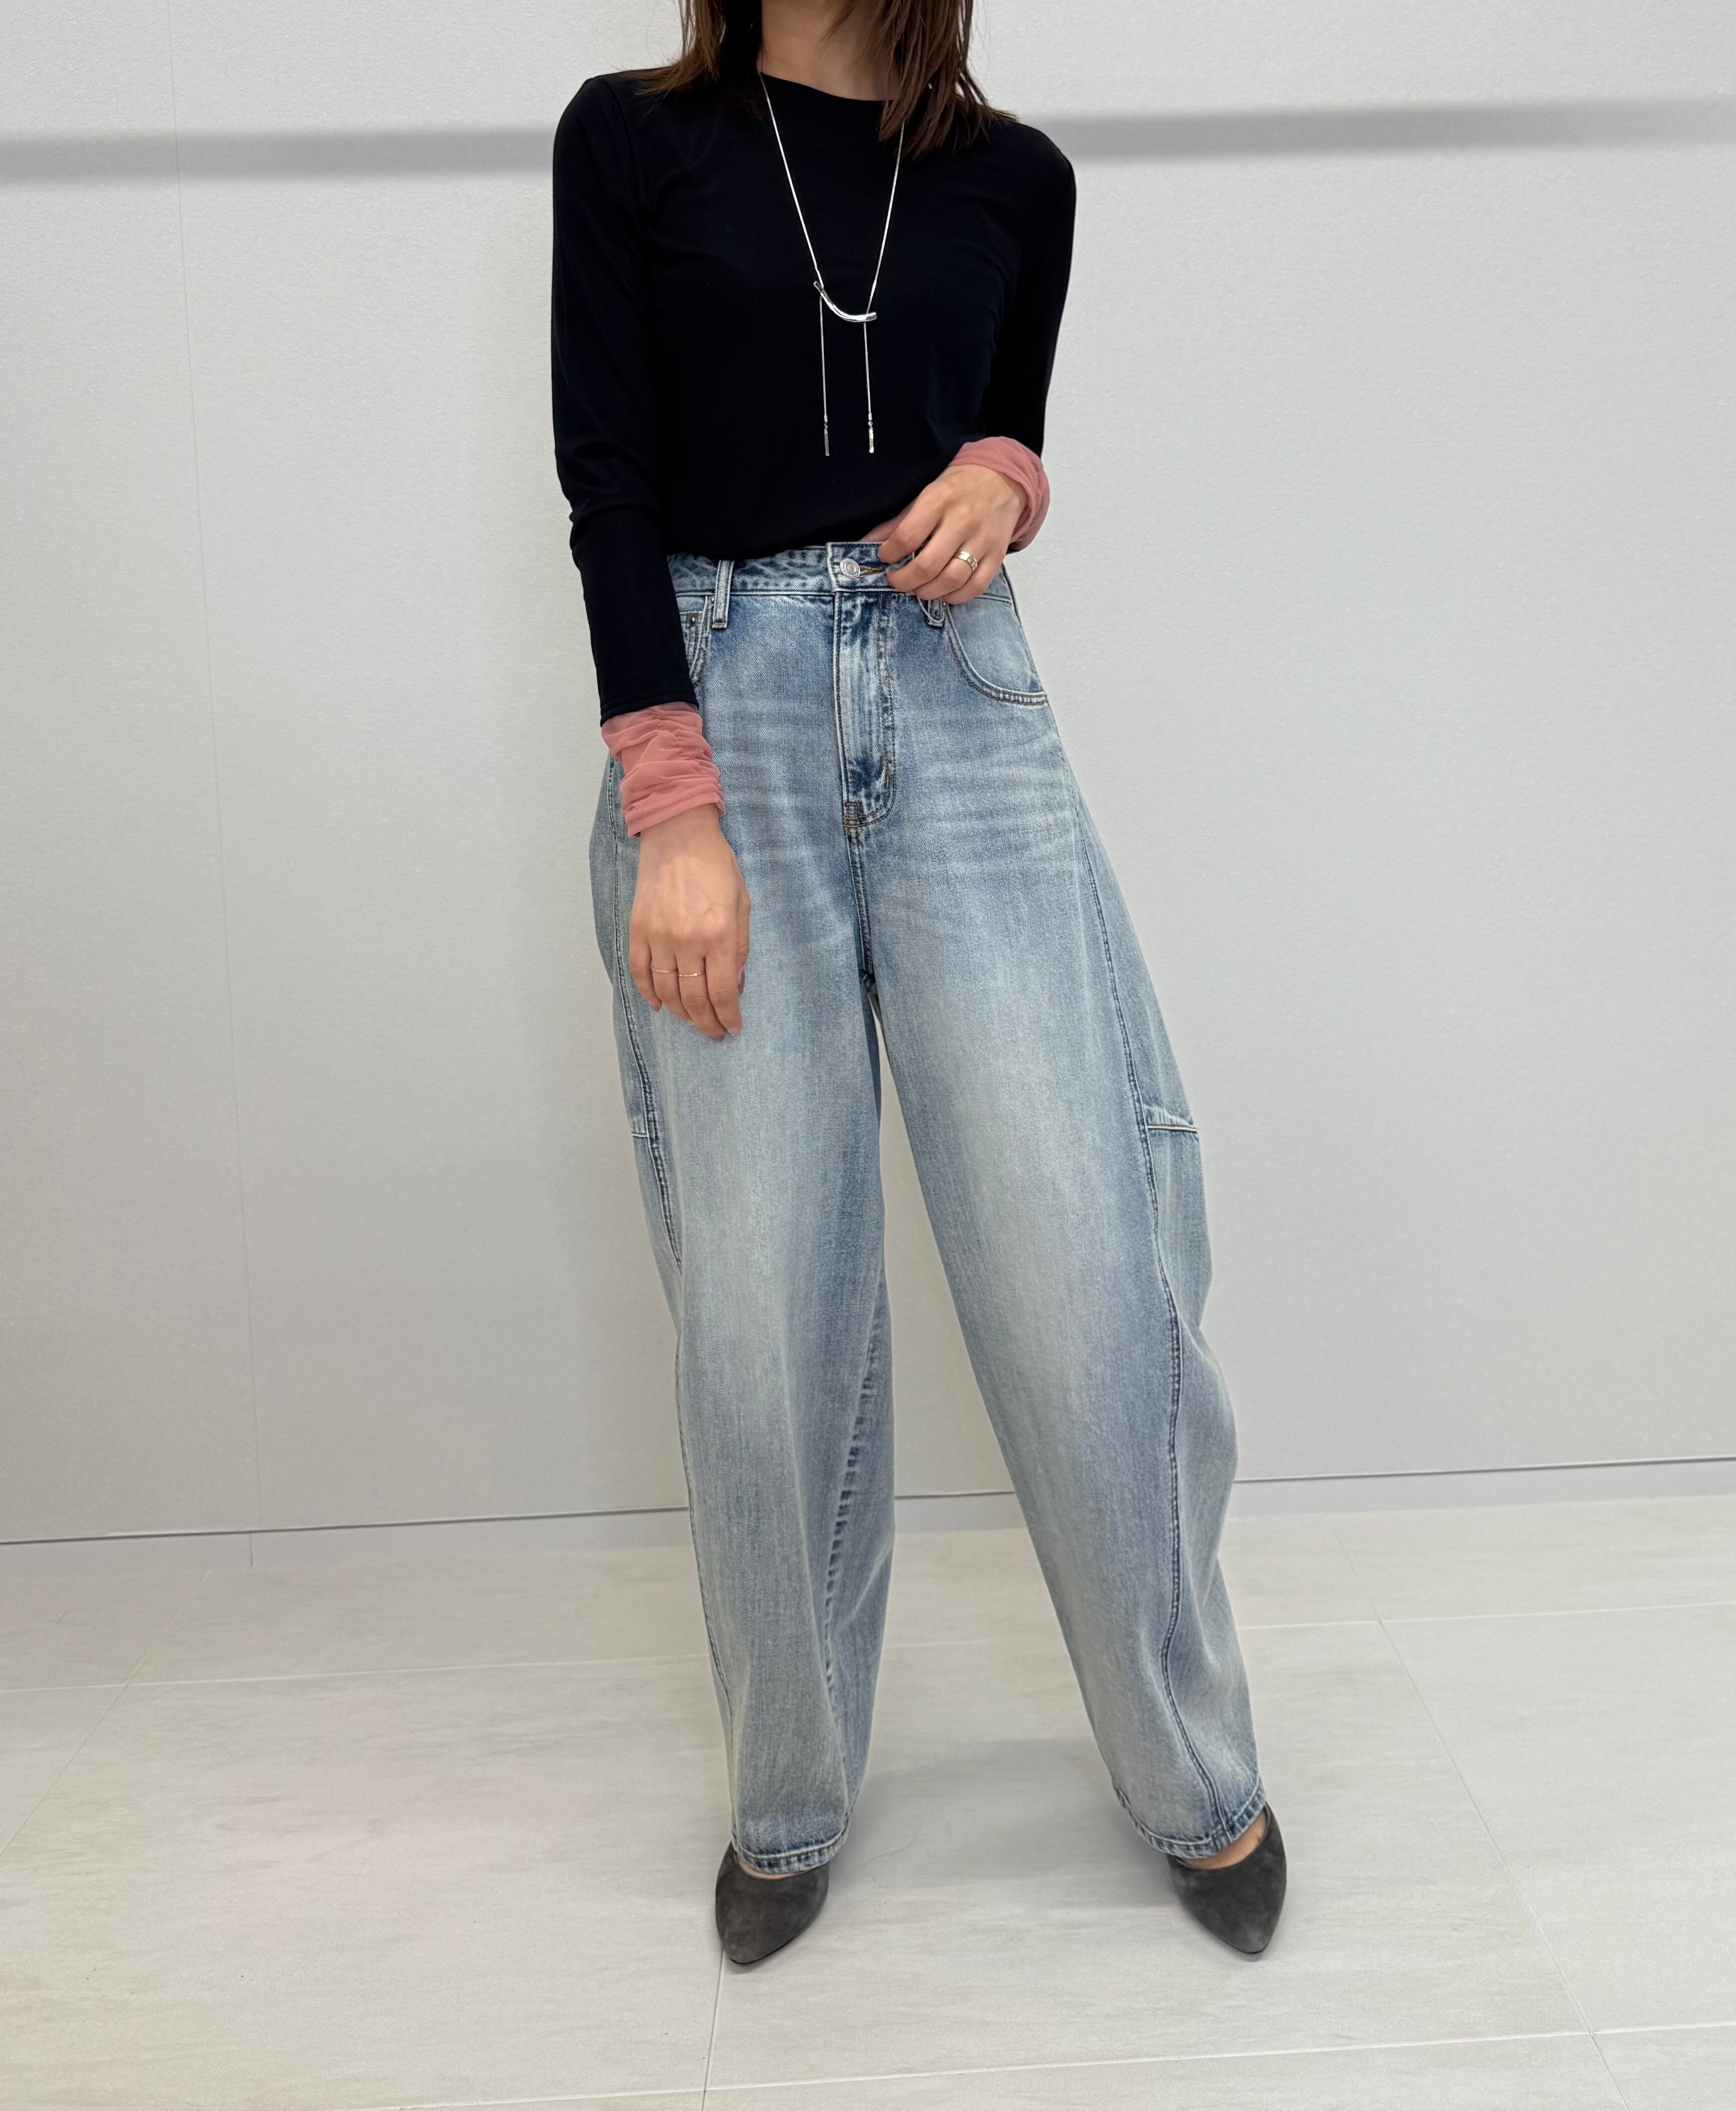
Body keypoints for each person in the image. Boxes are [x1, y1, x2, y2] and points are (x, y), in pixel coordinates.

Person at [550, 0, 1287, 1966]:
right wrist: (673, 806)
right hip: (721, 720)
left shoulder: (1019, 179)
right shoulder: (631, 140)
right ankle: (789, 1789)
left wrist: (1010, 485)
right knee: (762, 1313)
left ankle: (1192, 1766)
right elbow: (609, 477)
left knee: (1085, 1267)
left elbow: (1001, 428)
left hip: (960, 710)